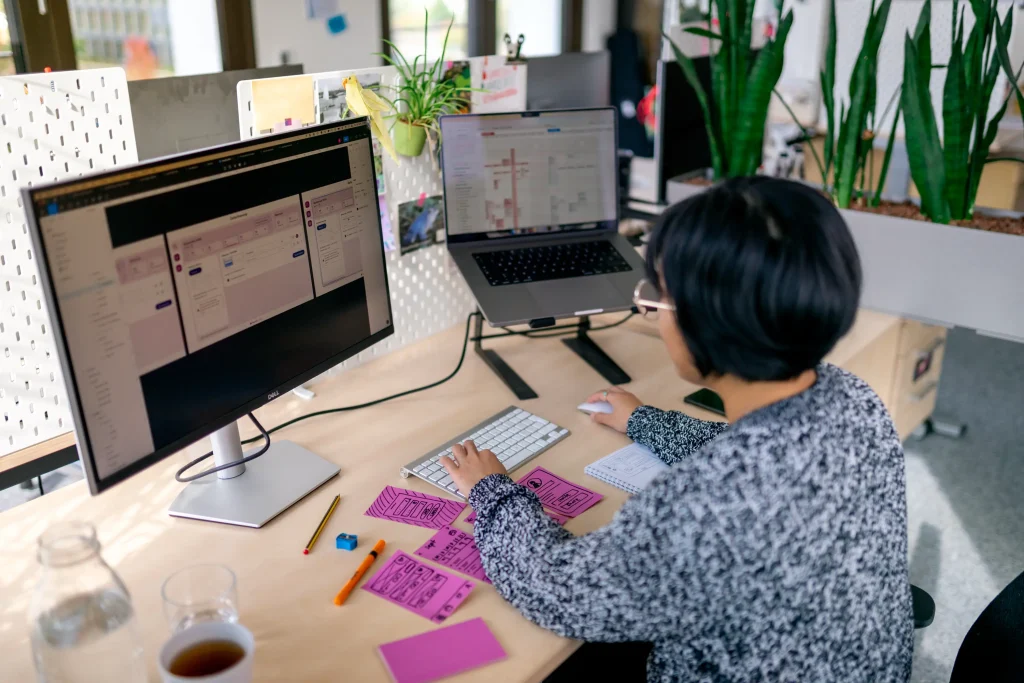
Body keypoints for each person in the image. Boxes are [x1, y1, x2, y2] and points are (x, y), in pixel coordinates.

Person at [441, 177, 913, 682]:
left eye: (659, 298)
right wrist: (645, 422)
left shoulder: (707, 507)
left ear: (710, 322)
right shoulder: (854, 399)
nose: (653, 314)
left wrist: (492, 493)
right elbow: (750, 451)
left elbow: (555, 589)